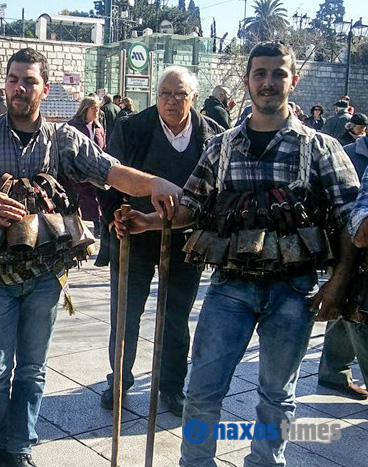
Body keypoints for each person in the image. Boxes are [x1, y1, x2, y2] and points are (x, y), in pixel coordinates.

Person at [114, 41, 360, 467]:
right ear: (247, 81)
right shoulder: (222, 146)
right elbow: (192, 206)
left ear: (293, 81)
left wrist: (337, 285)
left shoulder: (321, 148)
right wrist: (148, 221)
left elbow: (349, 221)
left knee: (277, 396)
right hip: (230, 288)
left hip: (294, 291)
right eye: (260, 73)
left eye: (278, 73)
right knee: (202, 391)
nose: (268, 82)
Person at [0, 47, 182, 467]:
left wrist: (156, 183)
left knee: (33, 368)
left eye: (29, 81)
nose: (20, 88)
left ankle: (21, 447)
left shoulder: (63, 139)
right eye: (13, 80)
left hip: (45, 275)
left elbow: (111, 171)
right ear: (5, 84)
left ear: (45, 89)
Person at [98, 66, 224, 417]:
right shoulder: (132, 128)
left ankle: (171, 386)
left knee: (176, 317)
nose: (171, 101)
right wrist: (115, 218)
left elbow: (216, 192)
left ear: (194, 98)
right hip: (133, 236)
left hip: (185, 241)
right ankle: (119, 381)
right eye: (164, 93)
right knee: (125, 314)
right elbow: (109, 177)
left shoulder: (211, 136)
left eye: (180, 94)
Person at [318, 132, 368, 400]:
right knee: (344, 312)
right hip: (345, 243)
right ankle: (333, 372)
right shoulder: (347, 152)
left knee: (347, 315)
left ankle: (334, 372)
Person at [66, 95, 106, 238]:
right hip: (78, 171)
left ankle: (97, 226)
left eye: (98, 109)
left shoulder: (98, 128)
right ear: (85, 109)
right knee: (81, 200)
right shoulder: (72, 126)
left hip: (96, 170)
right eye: (94, 109)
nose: (97, 112)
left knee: (96, 199)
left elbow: (103, 148)